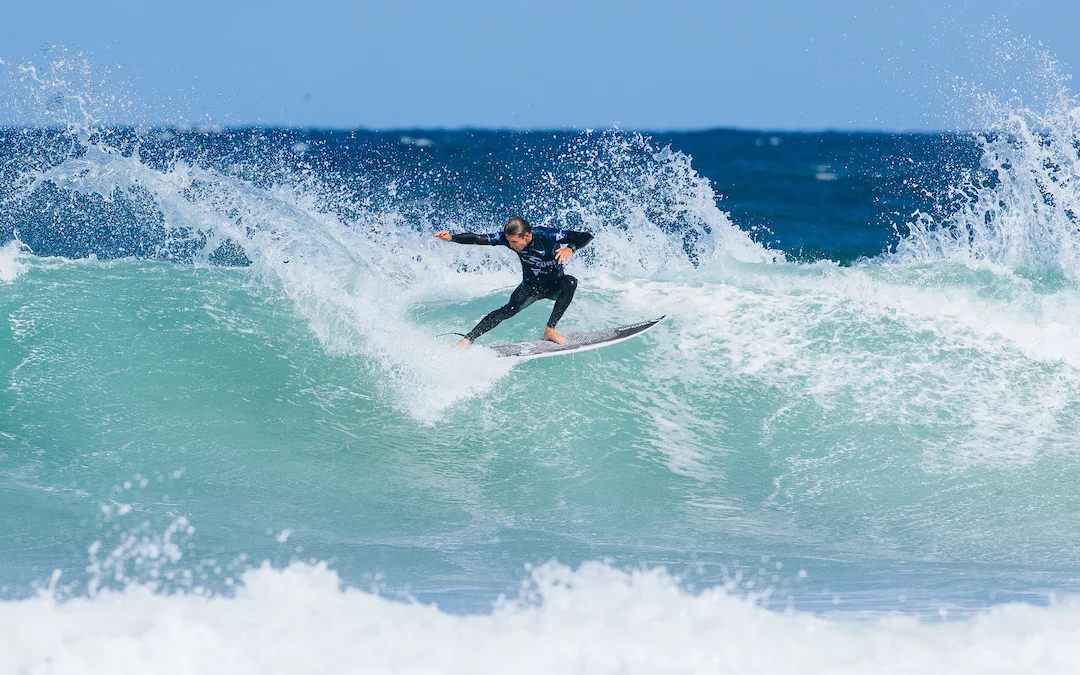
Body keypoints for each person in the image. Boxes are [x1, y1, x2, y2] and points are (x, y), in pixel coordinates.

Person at [435, 216, 594, 347]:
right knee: (508, 310)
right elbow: (478, 238)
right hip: (531, 287)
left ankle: (550, 330)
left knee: (570, 282)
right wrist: (452, 238)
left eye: (514, 242)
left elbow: (586, 236)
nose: (510, 245)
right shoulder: (507, 238)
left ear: (526, 235)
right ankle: (468, 338)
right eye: (509, 242)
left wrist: (570, 248)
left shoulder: (548, 235)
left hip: (555, 286)